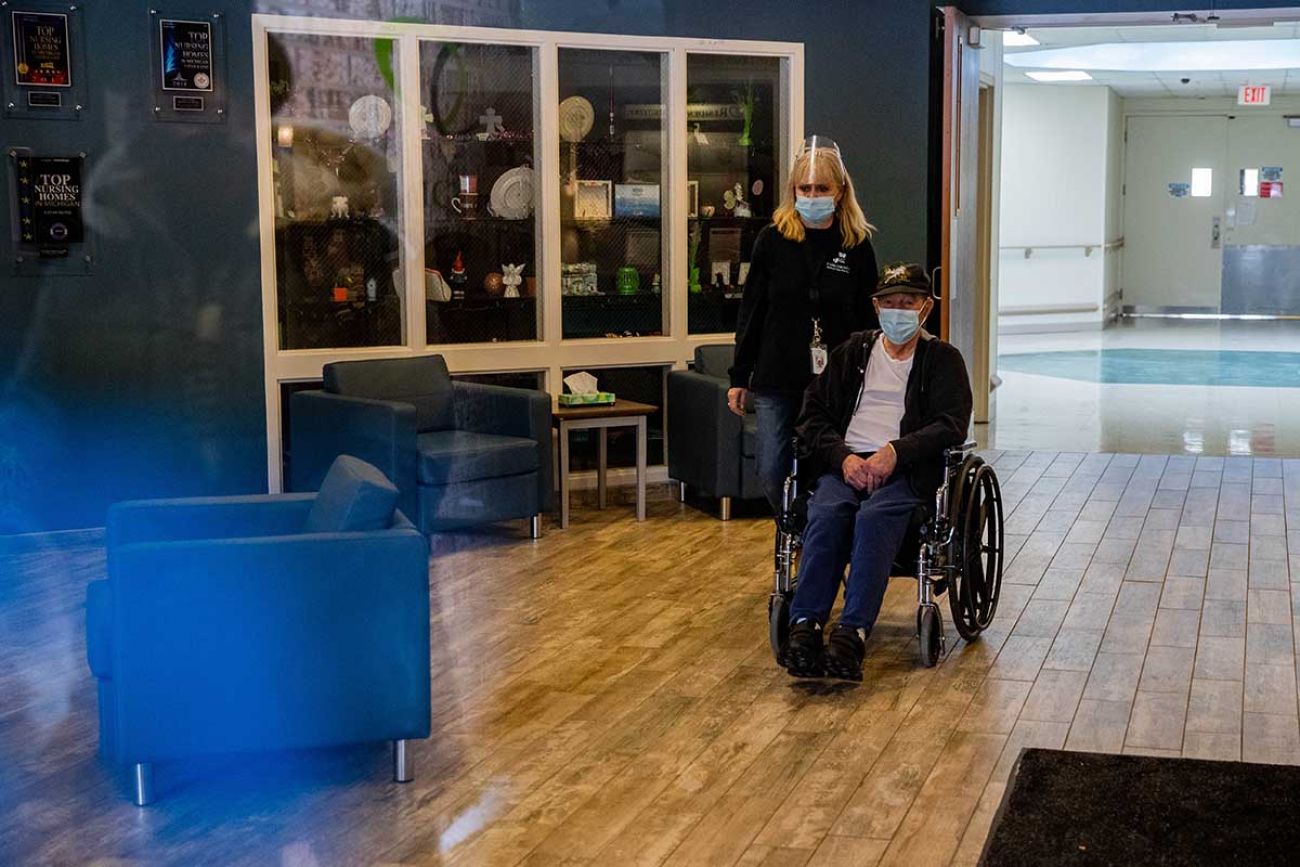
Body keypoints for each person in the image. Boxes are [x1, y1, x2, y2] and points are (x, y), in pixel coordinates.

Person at [783, 264, 972, 681]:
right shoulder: (852, 353)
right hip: (847, 462)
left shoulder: (942, 360)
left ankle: (853, 632)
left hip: (905, 470)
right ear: (876, 306)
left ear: (926, 308)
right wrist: (843, 458)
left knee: (873, 517)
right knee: (827, 512)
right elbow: (812, 415)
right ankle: (805, 625)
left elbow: (951, 424)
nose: (898, 311)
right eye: (890, 303)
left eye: (908, 303)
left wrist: (897, 452)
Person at [728, 136, 879, 515]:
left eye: (821, 188)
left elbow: (868, 318)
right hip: (778, 375)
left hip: (835, 380)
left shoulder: (856, 244)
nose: (812, 195)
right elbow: (752, 311)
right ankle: (792, 527)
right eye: (805, 188)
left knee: (828, 464)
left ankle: (819, 539)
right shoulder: (772, 240)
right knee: (771, 467)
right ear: (793, 190)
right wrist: (739, 375)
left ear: (840, 192)